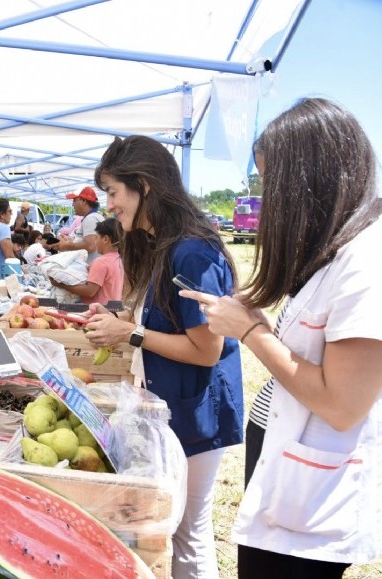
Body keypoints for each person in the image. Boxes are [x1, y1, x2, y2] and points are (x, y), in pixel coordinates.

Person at [183, 98, 382, 578]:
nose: (267, 199)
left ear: (312, 179)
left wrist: (249, 331)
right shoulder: (337, 250)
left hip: (315, 493)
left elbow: (342, 405)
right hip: (283, 453)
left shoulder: (368, 261)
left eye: (272, 182)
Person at [83, 135, 243, 579]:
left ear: (145, 186)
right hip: (176, 406)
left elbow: (206, 351)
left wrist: (130, 333)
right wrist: (119, 320)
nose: (110, 205)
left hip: (197, 411)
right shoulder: (166, 245)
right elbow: (164, 323)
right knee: (174, 530)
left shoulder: (191, 252)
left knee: (189, 533)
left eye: (114, 192)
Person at [49, 218, 124, 305]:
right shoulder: (118, 259)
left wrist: (61, 284)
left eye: (97, 237)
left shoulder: (101, 262)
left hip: (96, 311)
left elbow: (89, 291)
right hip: (112, 309)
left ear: (105, 239)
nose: (95, 242)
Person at [54, 186, 104, 264]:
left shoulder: (91, 218)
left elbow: (91, 246)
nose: (72, 204)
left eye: (74, 200)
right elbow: (88, 242)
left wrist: (67, 246)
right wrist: (71, 240)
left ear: (83, 201)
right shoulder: (95, 217)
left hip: (93, 267)